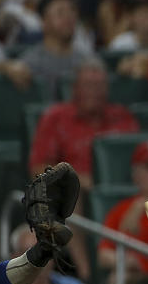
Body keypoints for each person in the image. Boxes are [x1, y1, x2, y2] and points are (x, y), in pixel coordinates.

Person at [28, 60, 140, 190]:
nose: (94, 91)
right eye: (88, 85)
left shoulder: (123, 117)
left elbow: (140, 160)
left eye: (99, 85)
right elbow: (38, 170)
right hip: (71, 195)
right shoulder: (55, 118)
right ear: (74, 88)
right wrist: (78, 181)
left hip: (119, 189)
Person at [98, 141, 148, 275]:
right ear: (136, 175)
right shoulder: (122, 210)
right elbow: (104, 256)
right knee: (119, 277)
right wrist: (127, 261)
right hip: (140, 277)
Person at [13, 0, 97, 101]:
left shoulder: (87, 60)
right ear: (43, 21)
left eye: (72, 11)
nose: (69, 17)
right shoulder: (30, 62)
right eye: (60, 12)